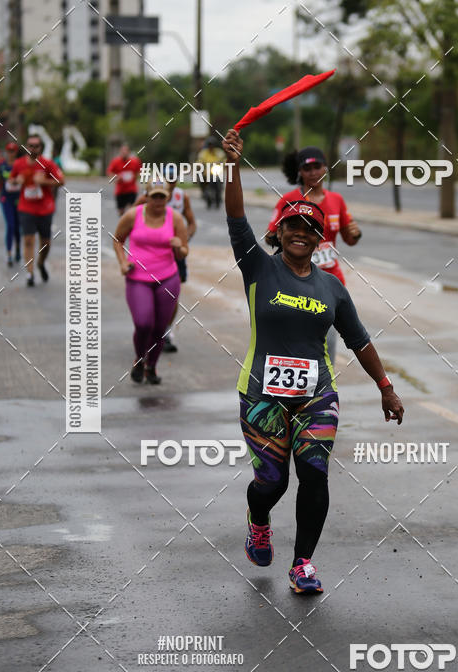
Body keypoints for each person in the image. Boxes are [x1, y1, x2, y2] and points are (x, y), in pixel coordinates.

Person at [223, 127, 404, 595]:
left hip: (316, 394)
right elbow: (236, 216)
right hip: (262, 392)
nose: (300, 234)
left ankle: (303, 563)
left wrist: (385, 386)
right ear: (278, 232)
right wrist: (232, 165)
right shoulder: (259, 267)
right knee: (272, 481)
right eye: (292, 227)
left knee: (314, 471)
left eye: (309, 229)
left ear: (319, 238)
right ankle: (258, 519)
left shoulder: (331, 286)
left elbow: (359, 339)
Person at [266, 147, 362, 361]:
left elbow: (349, 238)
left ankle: (324, 389)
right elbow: (269, 235)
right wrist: (289, 239)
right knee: (295, 341)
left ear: (325, 168)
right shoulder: (288, 200)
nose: (313, 173)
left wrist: (355, 234)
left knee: (328, 343)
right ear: (300, 171)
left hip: (330, 280)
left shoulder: (337, 200)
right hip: (294, 281)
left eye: (317, 167)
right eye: (307, 168)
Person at [113, 179, 188, 385]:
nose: (157, 200)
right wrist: (122, 262)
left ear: (168, 197)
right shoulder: (133, 215)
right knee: (143, 323)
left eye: (161, 196)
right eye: (153, 196)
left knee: (159, 327)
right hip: (138, 277)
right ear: (146, 196)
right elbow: (117, 239)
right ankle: (140, 358)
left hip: (168, 277)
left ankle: (151, 367)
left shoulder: (176, 218)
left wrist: (178, 246)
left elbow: (183, 252)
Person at [134, 172, 197, 352]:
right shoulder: (147, 195)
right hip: (150, 254)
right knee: (148, 292)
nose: (170, 183)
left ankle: (166, 333)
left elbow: (192, 223)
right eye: (167, 179)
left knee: (172, 294)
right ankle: (145, 328)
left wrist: (186, 238)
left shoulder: (181, 196)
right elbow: (131, 220)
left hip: (174, 253)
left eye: (173, 179)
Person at [9, 135, 65, 287]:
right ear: (26, 146)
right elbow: (10, 180)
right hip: (26, 207)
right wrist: (16, 180)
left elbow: (61, 181)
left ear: (40, 148)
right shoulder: (19, 164)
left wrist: (44, 181)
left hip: (45, 209)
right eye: (30, 145)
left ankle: (40, 263)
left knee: (45, 243)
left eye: (36, 146)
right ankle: (30, 273)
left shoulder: (48, 164)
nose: (33, 148)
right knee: (28, 240)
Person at [0, 142, 21, 266]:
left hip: (19, 199)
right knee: (10, 225)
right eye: (9, 151)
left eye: (13, 151)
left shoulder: (20, 165)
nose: (11, 153)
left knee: (17, 227)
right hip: (6, 199)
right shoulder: (2, 166)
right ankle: (9, 254)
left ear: (16, 152)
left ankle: (18, 249)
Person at [107, 143, 142, 214]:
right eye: (123, 151)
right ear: (120, 152)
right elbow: (109, 172)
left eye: (126, 151)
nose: (124, 153)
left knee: (131, 209)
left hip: (131, 189)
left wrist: (135, 176)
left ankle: (130, 223)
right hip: (120, 190)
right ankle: (124, 221)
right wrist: (117, 177)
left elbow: (140, 171)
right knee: (121, 211)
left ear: (129, 152)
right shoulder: (115, 162)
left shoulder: (135, 161)